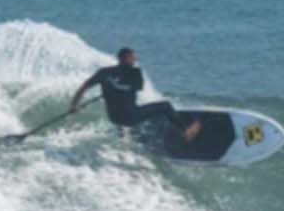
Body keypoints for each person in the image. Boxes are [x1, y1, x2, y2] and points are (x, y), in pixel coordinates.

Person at [71, 47, 200, 141]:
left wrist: (74, 105)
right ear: (127, 58)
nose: (136, 59)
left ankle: (130, 136)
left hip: (114, 118)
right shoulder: (135, 73)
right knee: (165, 106)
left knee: (136, 112)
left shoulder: (104, 72)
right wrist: (117, 89)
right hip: (131, 116)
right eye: (134, 57)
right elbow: (138, 87)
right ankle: (185, 130)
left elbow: (84, 86)